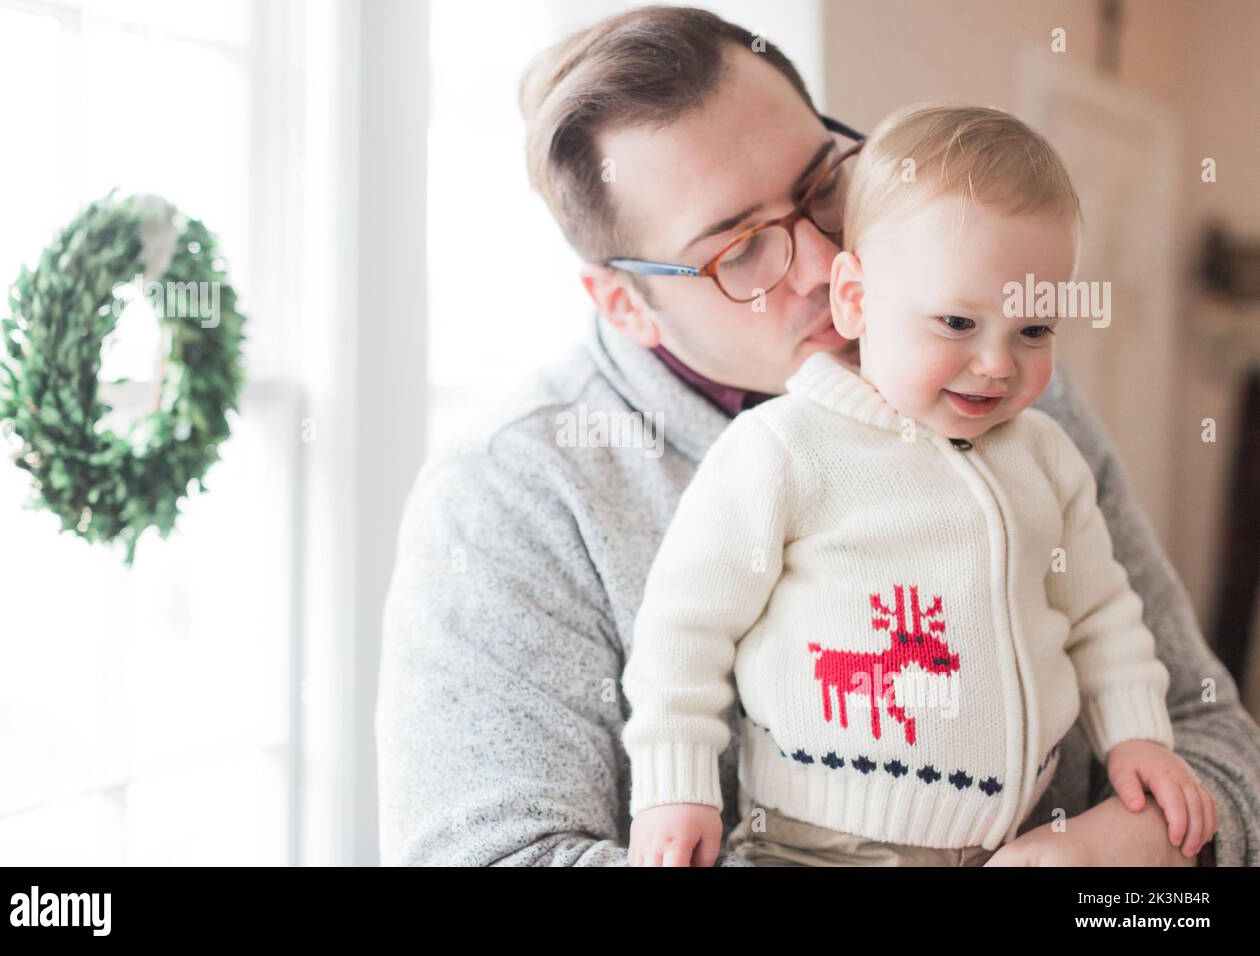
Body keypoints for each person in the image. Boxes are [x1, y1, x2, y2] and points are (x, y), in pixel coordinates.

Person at [375, 5, 1259, 866]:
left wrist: (1148, 851)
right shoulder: (509, 499)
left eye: (822, 185)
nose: (822, 260)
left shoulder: (1003, 389)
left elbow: (1213, 729)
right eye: (741, 251)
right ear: (624, 303)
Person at [621, 103, 1215, 867]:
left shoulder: (1045, 455)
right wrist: (676, 785)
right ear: (856, 300)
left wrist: (1138, 735)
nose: (998, 363)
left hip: (1017, 842)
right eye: (957, 324)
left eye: (1034, 330)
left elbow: (1101, 612)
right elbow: (683, 626)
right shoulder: (783, 450)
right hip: (818, 846)